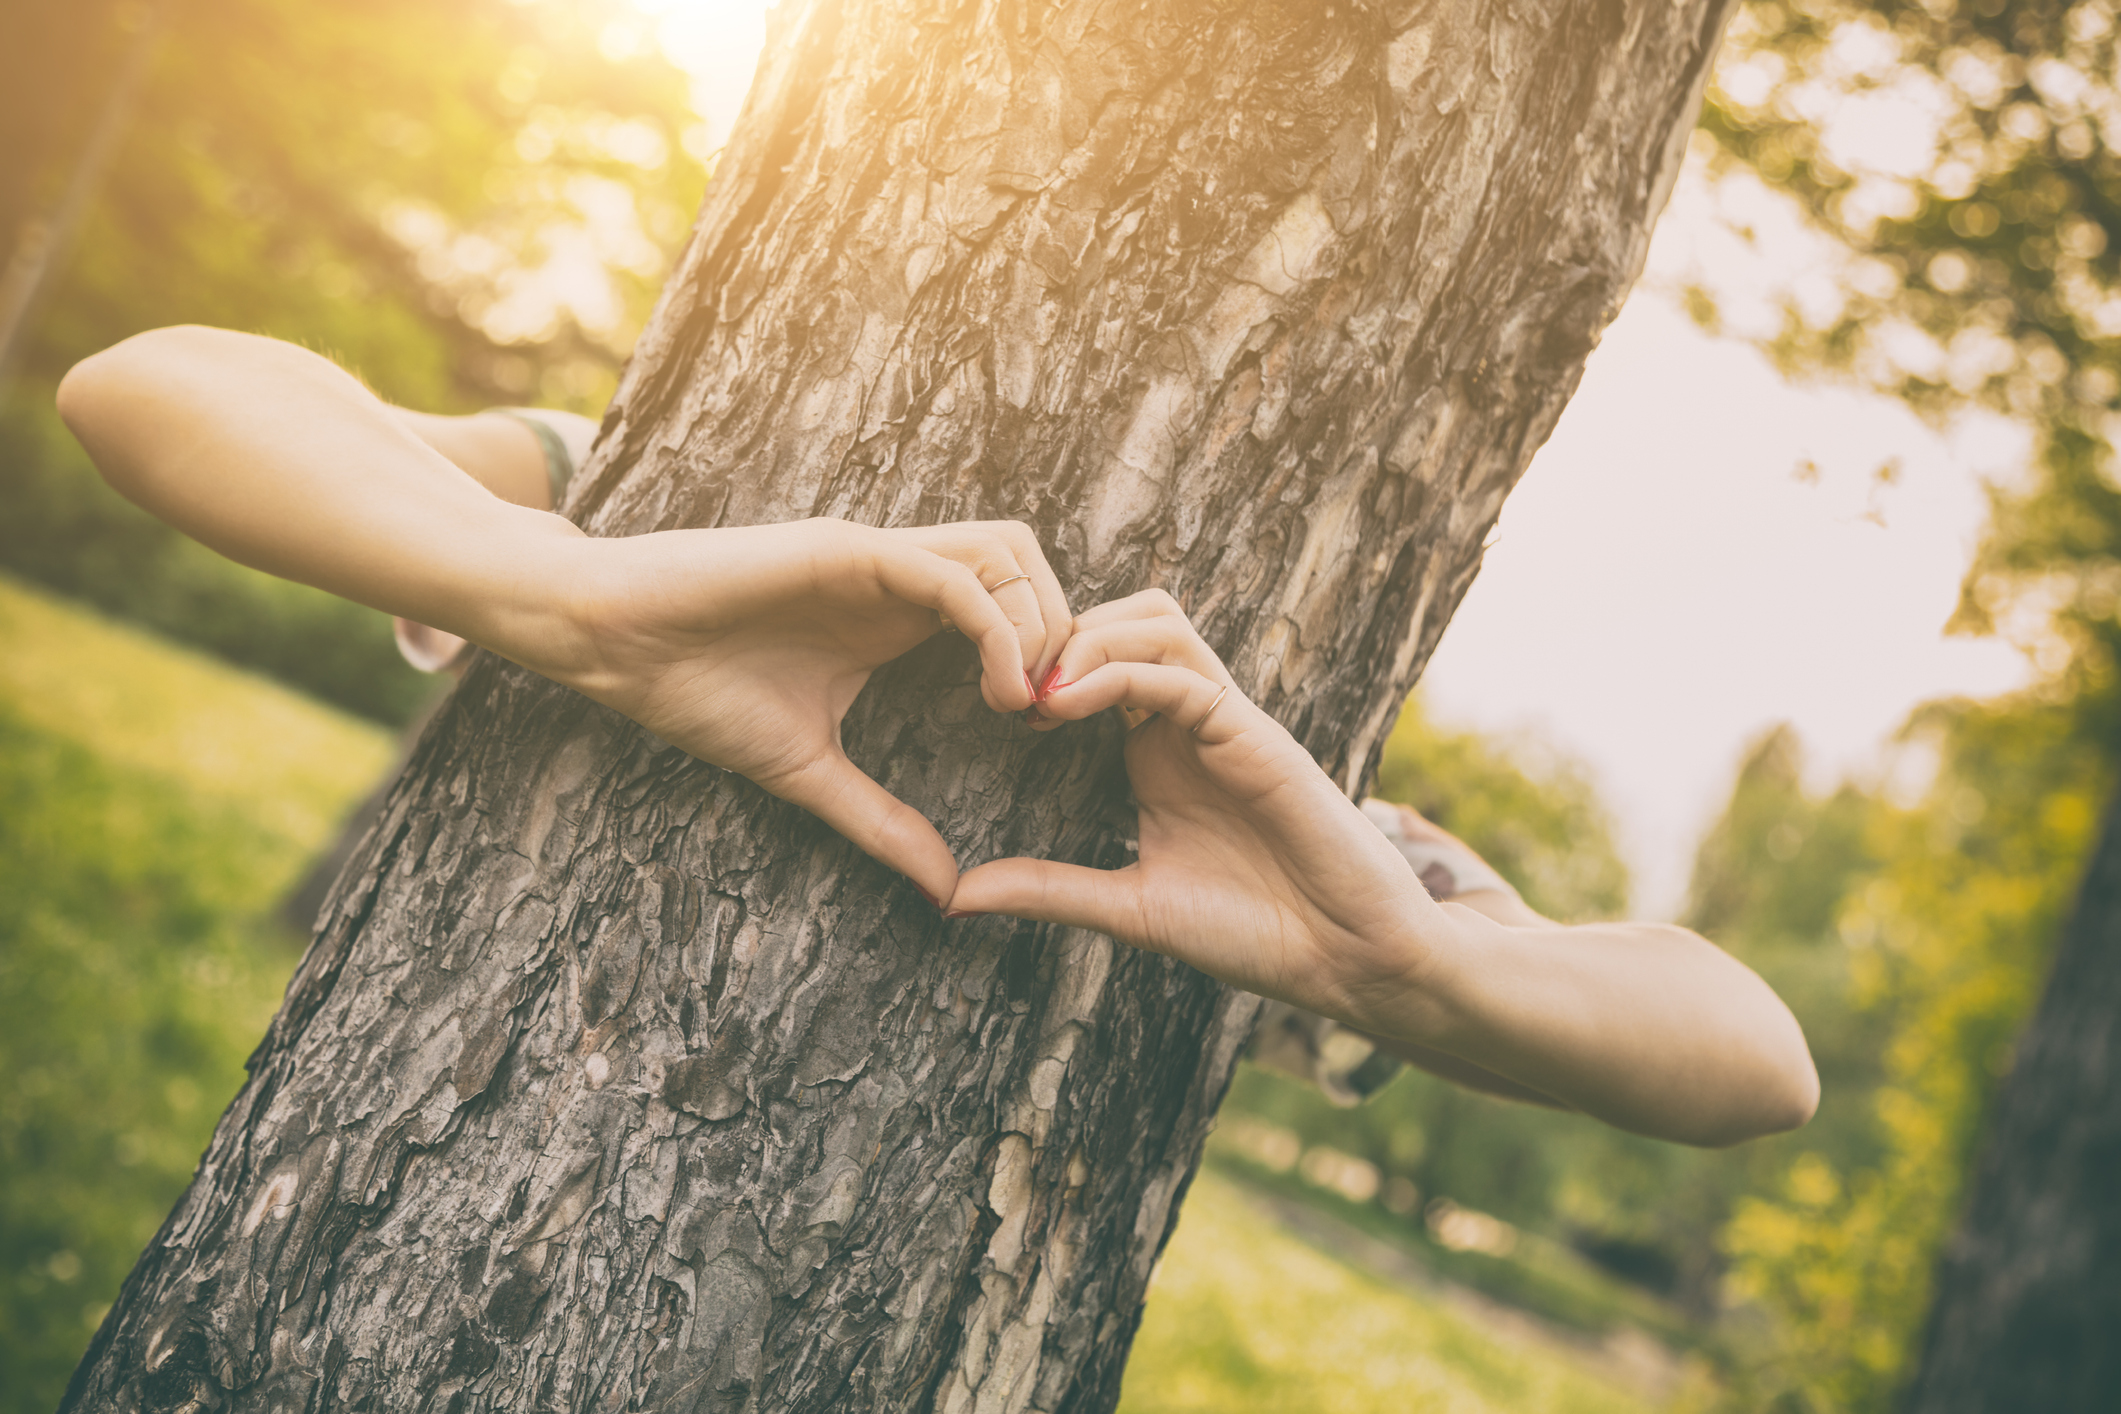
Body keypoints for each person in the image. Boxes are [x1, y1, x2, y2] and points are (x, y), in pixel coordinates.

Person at [56, 325, 1818, 1149]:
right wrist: (576, 594)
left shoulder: (1277, 834)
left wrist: (1418, 968)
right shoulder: (663, 494)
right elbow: (150, 388)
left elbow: (1750, 1059)